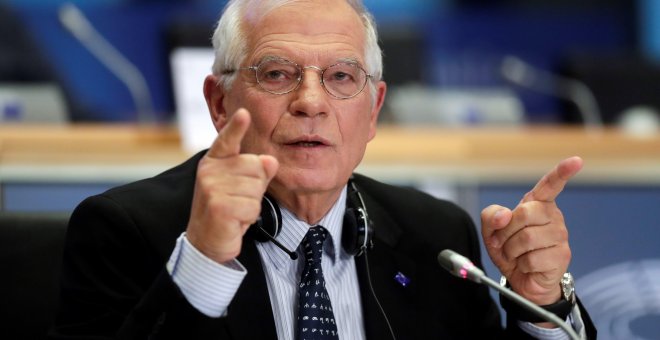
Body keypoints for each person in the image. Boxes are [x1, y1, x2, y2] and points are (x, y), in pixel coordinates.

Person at [50, 0, 596, 339]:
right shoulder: (123, 229)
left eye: (340, 76)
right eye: (277, 73)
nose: (311, 102)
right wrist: (203, 263)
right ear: (219, 104)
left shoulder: (435, 236)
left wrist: (542, 302)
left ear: (374, 109)